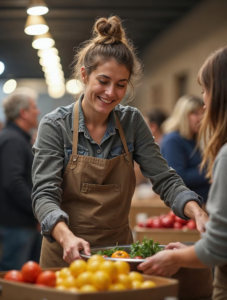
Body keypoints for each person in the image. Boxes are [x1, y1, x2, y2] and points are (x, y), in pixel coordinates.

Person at [32, 16, 208, 268]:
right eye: (103, 81)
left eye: (120, 85)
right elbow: (44, 195)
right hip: (65, 253)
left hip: (118, 254)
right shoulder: (54, 125)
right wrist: (66, 236)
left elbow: (165, 179)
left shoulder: (132, 122)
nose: (111, 93)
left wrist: (196, 211)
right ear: (84, 75)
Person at [138, 46, 227, 299]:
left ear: (219, 95)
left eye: (204, 91)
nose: (204, 105)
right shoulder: (177, 141)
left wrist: (178, 256)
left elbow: (219, 247)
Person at [0, 88, 40, 271]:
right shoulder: (13, 140)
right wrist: (38, 210)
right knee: (12, 279)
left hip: (17, 222)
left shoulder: (14, 138)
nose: (38, 112)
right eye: (34, 107)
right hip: (14, 224)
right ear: (23, 112)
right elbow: (13, 182)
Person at [161, 95, 210, 203]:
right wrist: (211, 171)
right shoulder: (173, 140)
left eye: (203, 113)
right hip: (188, 206)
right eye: (195, 113)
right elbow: (179, 178)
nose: (201, 118)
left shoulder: (191, 138)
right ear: (183, 115)